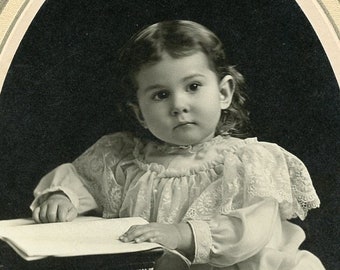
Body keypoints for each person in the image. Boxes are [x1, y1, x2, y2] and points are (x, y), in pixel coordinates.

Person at [30, 20, 325, 269]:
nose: (179, 105)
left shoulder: (248, 161)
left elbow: (251, 231)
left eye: (193, 87)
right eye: (160, 95)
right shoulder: (120, 157)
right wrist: (62, 199)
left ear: (224, 93)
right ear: (139, 113)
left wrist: (182, 234)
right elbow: (81, 179)